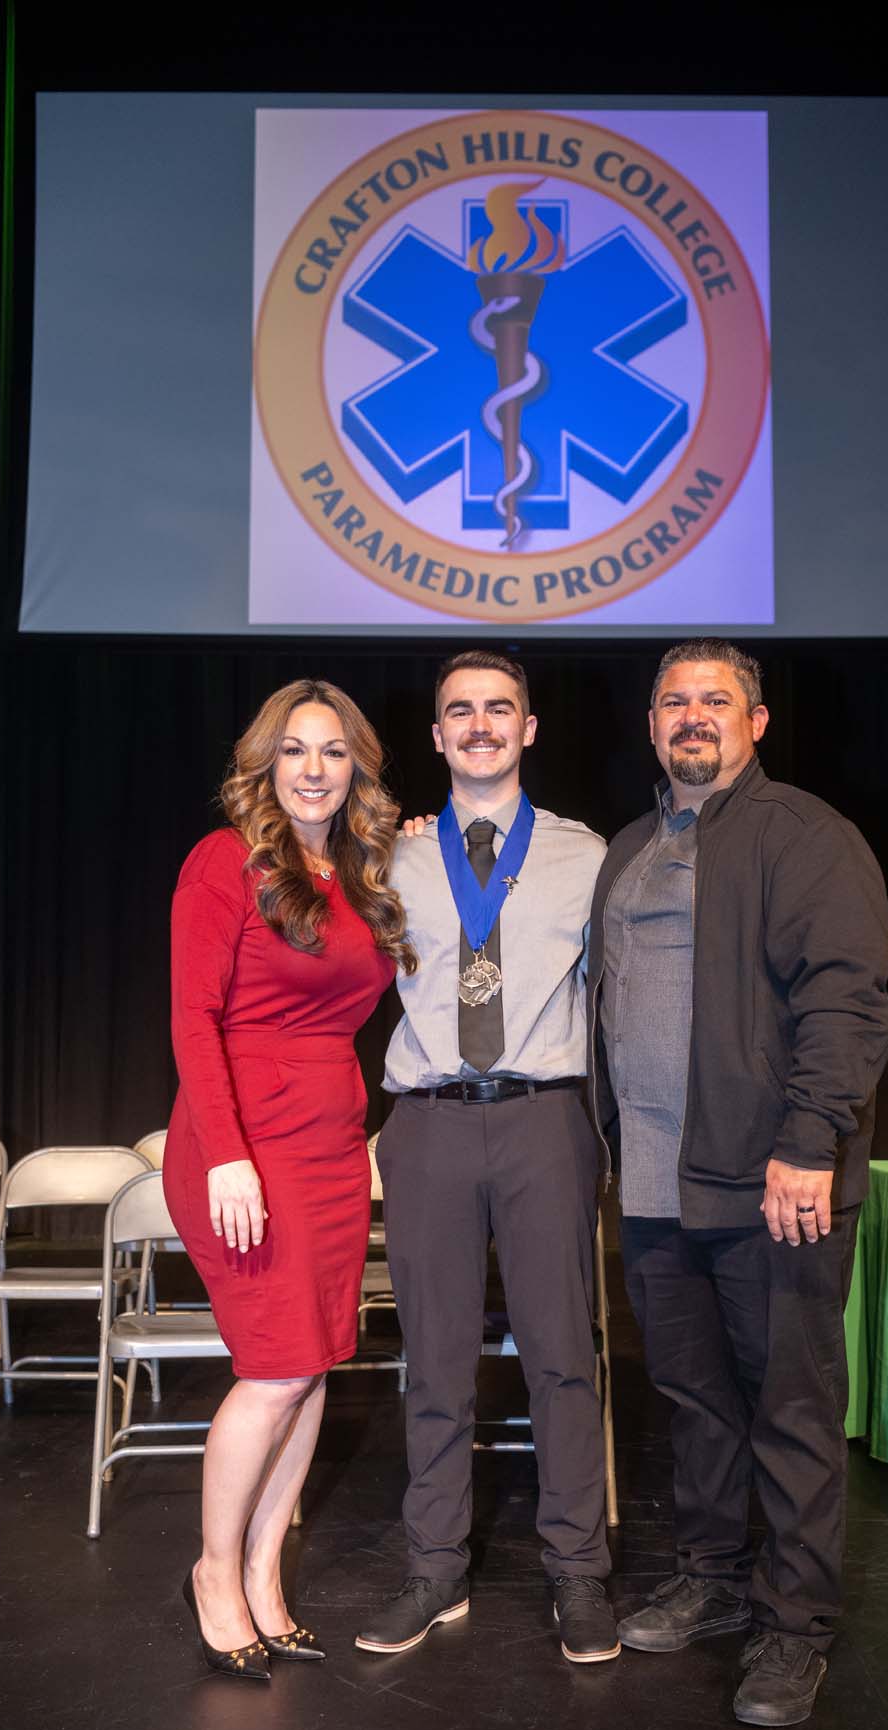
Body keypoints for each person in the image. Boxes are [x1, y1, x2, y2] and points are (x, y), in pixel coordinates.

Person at [587, 639, 888, 1727]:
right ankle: (713, 1579)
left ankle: (792, 1627)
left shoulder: (805, 837)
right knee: (696, 1404)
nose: (692, 716)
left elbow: (848, 1003)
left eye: (716, 700)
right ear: (652, 722)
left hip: (773, 1186)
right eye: (674, 700)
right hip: (657, 1188)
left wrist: (810, 1142)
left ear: (755, 723)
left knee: (794, 1412)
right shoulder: (628, 849)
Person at [354, 650, 619, 1665]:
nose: (479, 724)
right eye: (459, 711)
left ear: (529, 729)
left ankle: (579, 1573)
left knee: (562, 1354)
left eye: (497, 709)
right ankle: (434, 1568)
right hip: (427, 1123)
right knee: (434, 1357)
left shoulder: (587, 857)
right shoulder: (390, 859)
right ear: (435, 736)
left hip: (544, 1119)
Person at [164, 678, 411, 1681]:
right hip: (243, 1146)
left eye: (334, 751)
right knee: (271, 1369)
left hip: (329, 1144)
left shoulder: (358, 872)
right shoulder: (225, 862)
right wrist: (227, 1151)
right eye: (296, 750)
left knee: (311, 1366)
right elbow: (194, 1016)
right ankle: (214, 1572)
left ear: (357, 767)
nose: (314, 770)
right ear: (266, 762)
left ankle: (267, 1575)